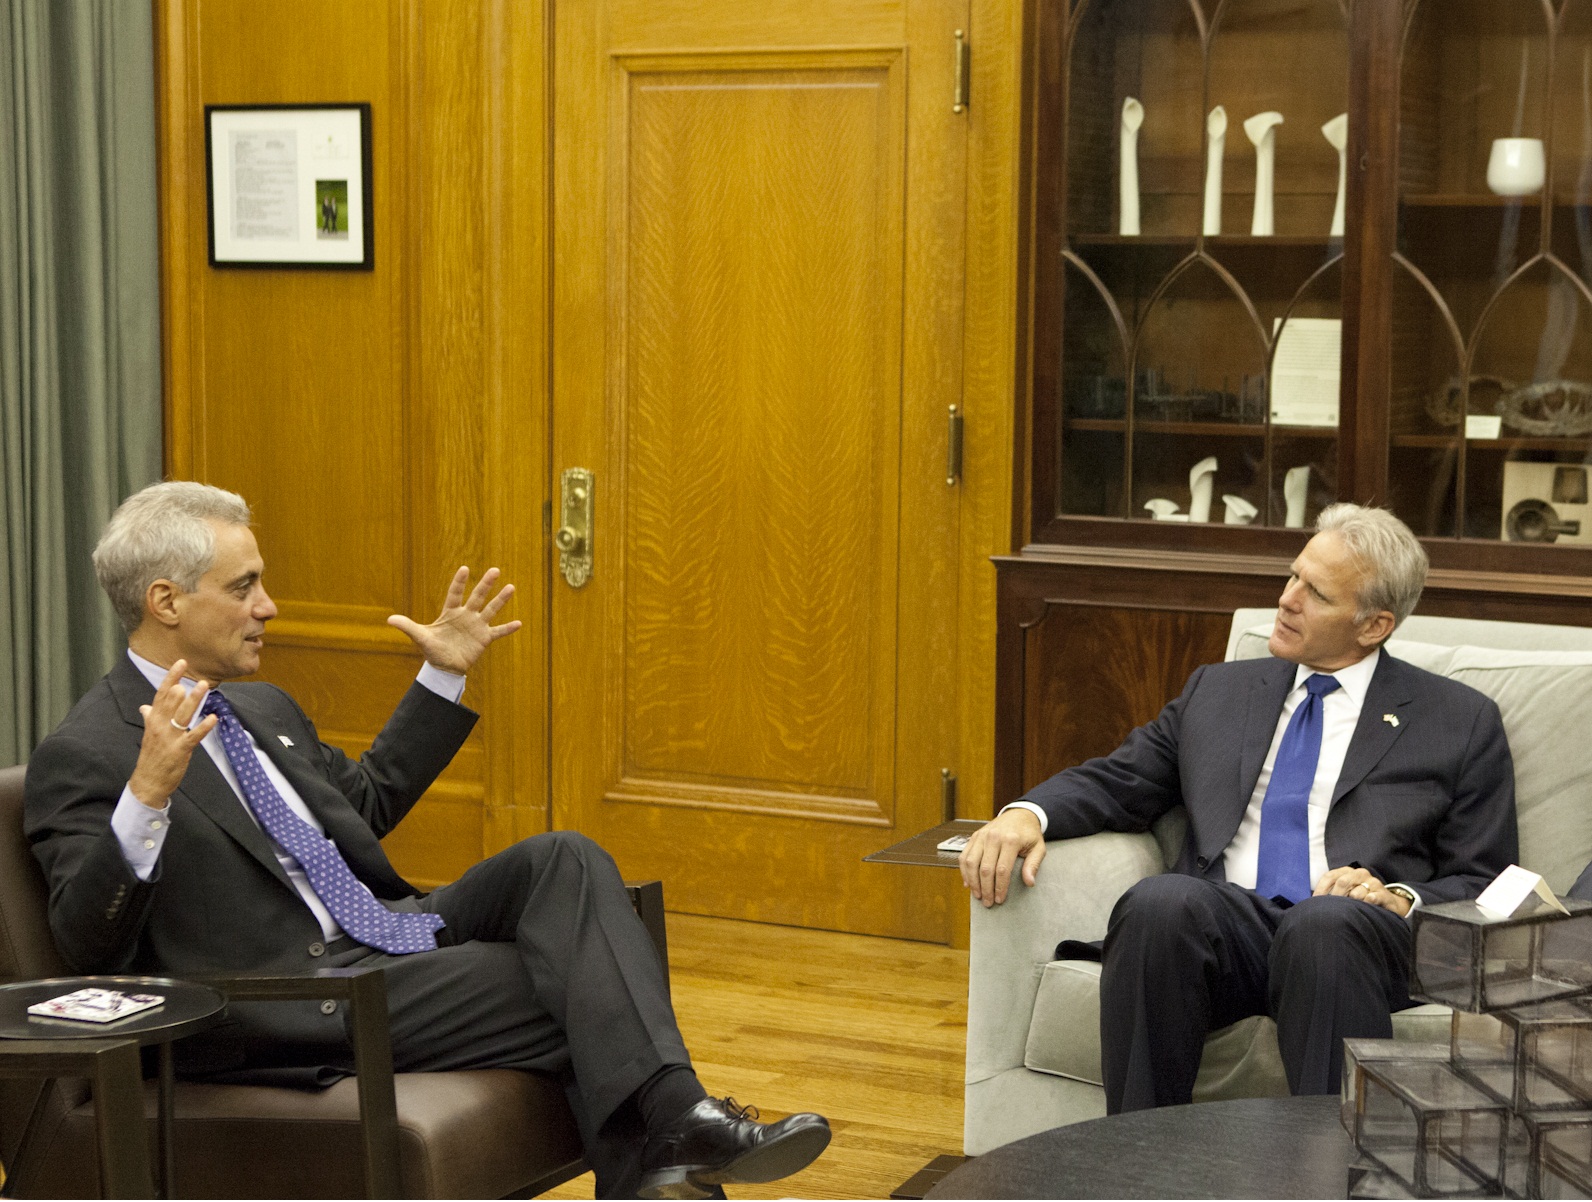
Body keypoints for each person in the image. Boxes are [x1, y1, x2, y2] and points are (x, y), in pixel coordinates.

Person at [25, 481, 830, 1199]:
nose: (268, 605)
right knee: (586, 980)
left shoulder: (260, 709)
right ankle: (673, 1152)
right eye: (244, 587)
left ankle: (673, 1140)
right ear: (166, 601)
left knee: (565, 858)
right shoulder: (91, 752)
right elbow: (86, 939)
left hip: (385, 935)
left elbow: (363, 807)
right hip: (291, 995)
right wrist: (147, 796)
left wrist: (441, 674)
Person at [959, 503, 1517, 1113]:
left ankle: (1329, 1176)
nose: (1287, 599)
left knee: (1323, 922)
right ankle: (1141, 1164)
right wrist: (1027, 814)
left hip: (1353, 939)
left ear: (1373, 625)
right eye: (1293, 576)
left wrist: (1400, 897)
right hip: (1229, 929)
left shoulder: (1458, 720)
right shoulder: (1219, 692)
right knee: (1160, 901)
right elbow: (1121, 778)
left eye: (1317, 594)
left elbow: (1486, 881)